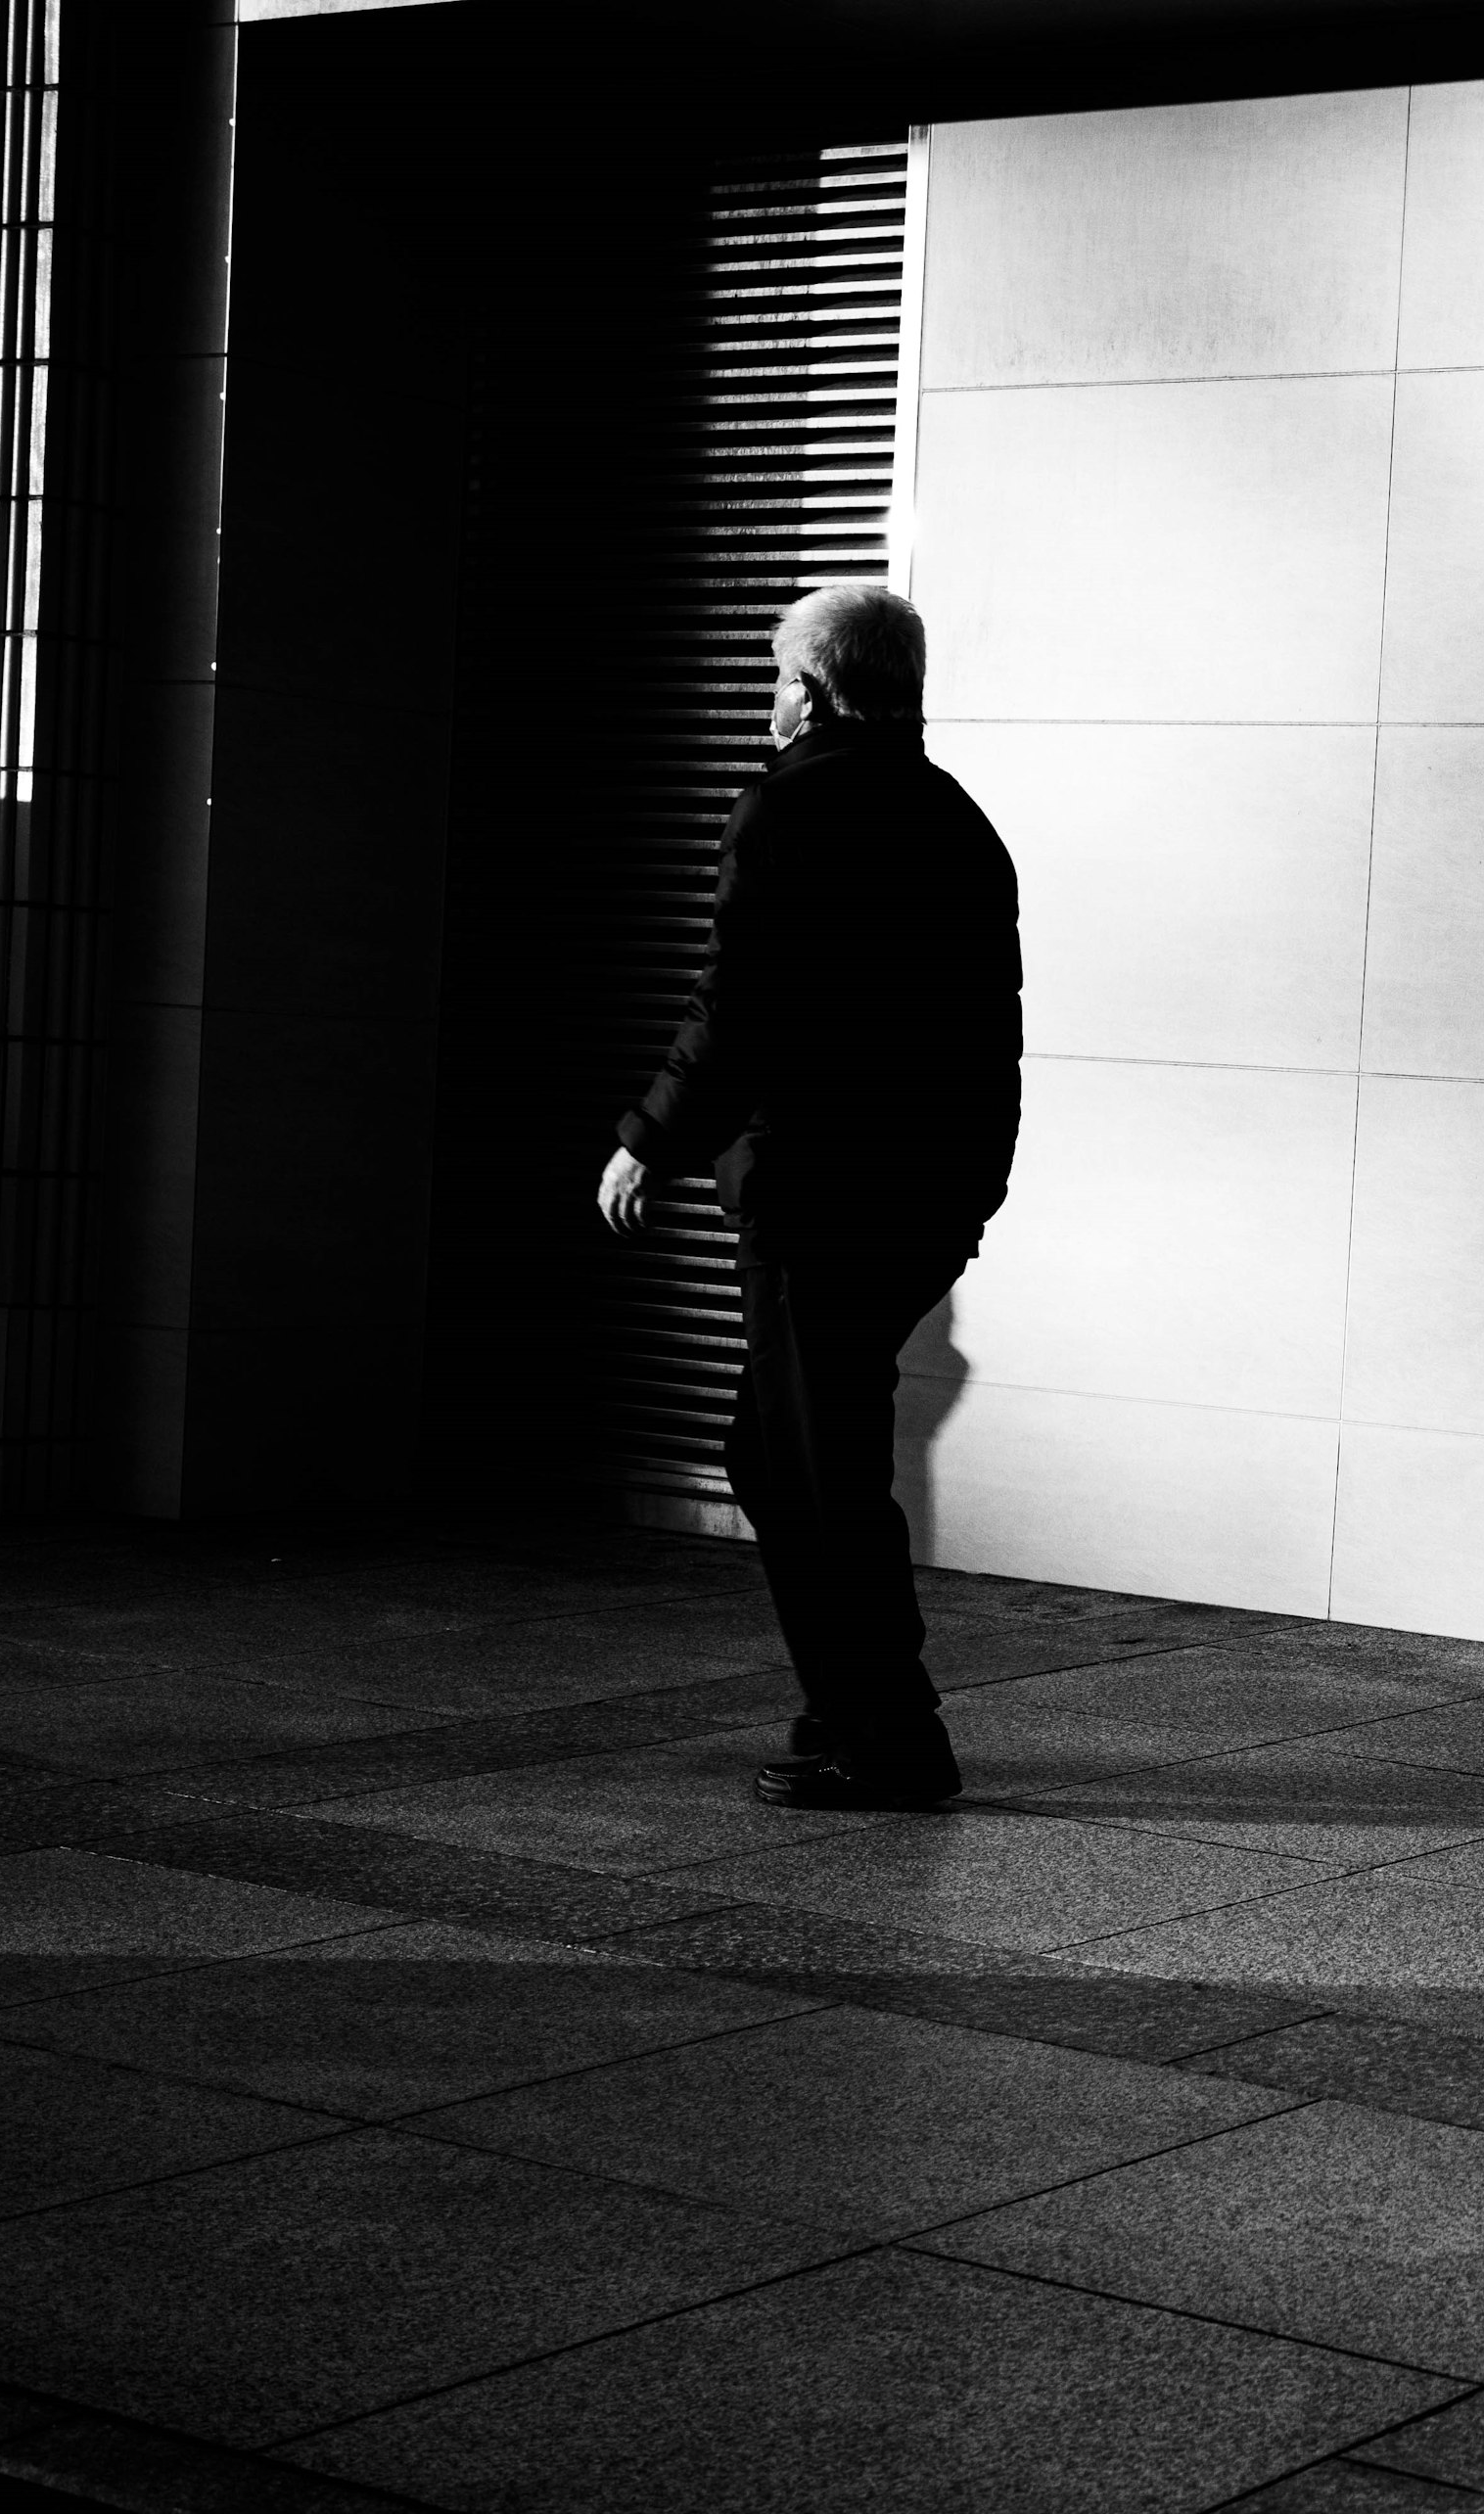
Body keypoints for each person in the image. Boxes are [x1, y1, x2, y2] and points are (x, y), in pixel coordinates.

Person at [596, 583, 1021, 1810]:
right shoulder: (959, 820)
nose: (768, 701)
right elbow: (986, 1034)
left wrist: (647, 1142)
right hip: (926, 1197)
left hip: (822, 1195)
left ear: (817, 690)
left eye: (778, 677)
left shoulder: (790, 808)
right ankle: (851, 1703)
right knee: (777, 1454)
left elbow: (740, 1004)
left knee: (818, 1469)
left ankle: (892, 1736)